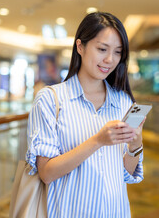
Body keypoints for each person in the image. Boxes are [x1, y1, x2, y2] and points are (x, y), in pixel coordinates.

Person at [26, 12, 145, 217]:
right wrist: (98, 140)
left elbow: (124, 174)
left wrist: (135, 146)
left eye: (118, 52)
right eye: (102, 49)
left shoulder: (124, 102)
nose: (110, 59)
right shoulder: (51, 99)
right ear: (80, 47)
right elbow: (46, 173)